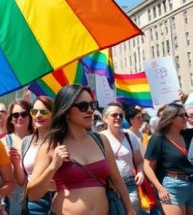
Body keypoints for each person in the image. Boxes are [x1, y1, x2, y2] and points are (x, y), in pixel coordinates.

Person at [27, 84, 136, 215]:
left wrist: (130, 210)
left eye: (92, 105)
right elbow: (33, 194)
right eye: (83, 106)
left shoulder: (101, 140)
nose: (90, 110)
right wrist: (53, 167)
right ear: (66, 110)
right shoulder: (50, 145)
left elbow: (118, 181)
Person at [143, 102, 193, 215]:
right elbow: (147, 166)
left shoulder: (189, 134)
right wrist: (160, 189)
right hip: (173, 187)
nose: (186, 118)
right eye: (182, 115)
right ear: (171, 118)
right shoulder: (158, 139)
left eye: (186, 115)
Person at [100, 103, 145, 213]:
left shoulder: (130, 136)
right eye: (114, 115)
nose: (118, 118)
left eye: (121, 115)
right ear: (105, 119)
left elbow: (139, 161)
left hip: (129, 184)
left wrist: (140, 172)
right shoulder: (98, 138)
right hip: (107, 186)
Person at [14, 96, 54, 215]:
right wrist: (16, 163)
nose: (38, 115)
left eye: (43, 112)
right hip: (31, 202)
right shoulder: (27, 141)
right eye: (34, 112)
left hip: (55, 198)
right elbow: (22, 180)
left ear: (53, 114)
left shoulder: (60, 140)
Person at [1, 99, 34, 215]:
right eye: (15, 115)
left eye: (24, 114)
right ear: (10, 119)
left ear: (30, 116)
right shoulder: (2, 142)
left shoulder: (39, 140)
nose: (20, 118)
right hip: (11, 200)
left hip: (35, 198)